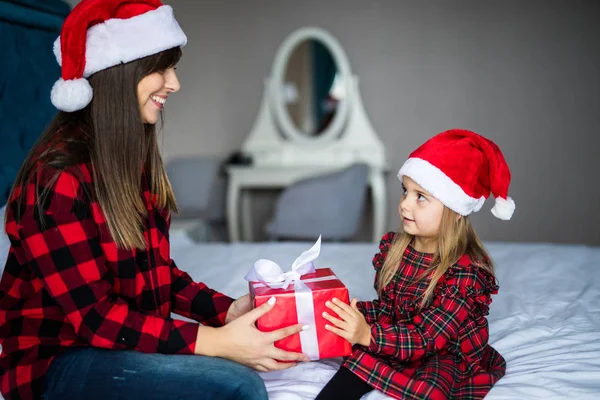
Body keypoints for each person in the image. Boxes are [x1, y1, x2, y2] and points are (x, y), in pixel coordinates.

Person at [0, 1, 309, 399]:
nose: (174, 83)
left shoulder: (127, 161)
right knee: (237, 385)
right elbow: (96, 319)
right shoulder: (56, 179)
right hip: (58, 362)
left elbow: (157, 272)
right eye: (160, 68)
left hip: (112, 345)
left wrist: (226, 312)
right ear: (119, 73)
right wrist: (217, 342)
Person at [316, 129, 512, 399]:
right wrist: (351, 315)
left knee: (431, 388)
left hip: (439, 348)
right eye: (405, 191)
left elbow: (428, 337)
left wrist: (368, 335)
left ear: (456, 211)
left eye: (420, 197)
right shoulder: (396, 248)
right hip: (403, 333)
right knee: (355, 362)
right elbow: (391, 310)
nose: (405, 205)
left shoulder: (466, 273)